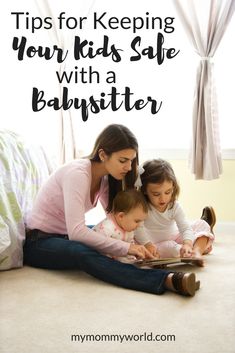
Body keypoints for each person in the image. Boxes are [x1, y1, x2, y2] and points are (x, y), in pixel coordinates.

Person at [23, 124, 200, 296]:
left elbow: (118, 221)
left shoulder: (105, 179)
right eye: (123, 161)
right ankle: (165, 280)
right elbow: (77, 232)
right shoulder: (77, 173)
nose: (129, 167)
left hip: (65, 235)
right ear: (103, 154)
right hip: (39, 240)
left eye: (131, 160)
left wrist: (144, 245)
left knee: (108, 232)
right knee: (83, 252)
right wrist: (126, 247)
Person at [137, 159, 216, 266]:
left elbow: (184, 228)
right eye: (156, 194)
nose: (163, 198)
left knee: (202, 224)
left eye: (167, 192)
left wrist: (187, 244)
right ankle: (192, 250)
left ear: (173, 187)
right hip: (154, 244)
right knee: (169, 248)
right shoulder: (141, 207)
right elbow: (138, 229)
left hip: (175, 236)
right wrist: (148, 244)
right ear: (145, 190)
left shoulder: (174, 206)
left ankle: (196, 252)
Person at [93, 189, 158, 263]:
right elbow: (99, 247)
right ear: (121, 216)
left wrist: (138, 257)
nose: (139, 225)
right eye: (137, 221)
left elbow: (130, 247)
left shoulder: (129, 229)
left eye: (141, 221)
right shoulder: (106, 228)